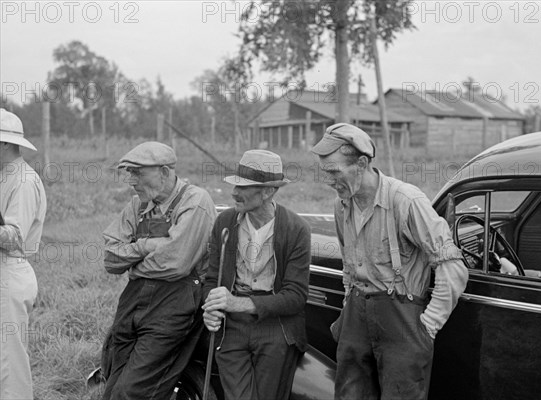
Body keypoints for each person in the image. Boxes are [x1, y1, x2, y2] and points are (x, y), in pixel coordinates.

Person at [311, 123, 468, 400]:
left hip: (401, 318)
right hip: (358, 312)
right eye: (326, 173)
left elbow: (452, 267)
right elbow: (349, 263)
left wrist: (427, 326)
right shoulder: (342, 205)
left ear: (361, 163)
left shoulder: (405, 201)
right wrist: (348, 307)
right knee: (349, 394)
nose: (329, 181)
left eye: (334, 172)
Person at [102, 141, 216, 400]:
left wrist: (132, 257)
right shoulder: (136, 205)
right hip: (132, 302)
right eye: (129, 173)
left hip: (173, 305)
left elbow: (177, 263)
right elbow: (110, 259)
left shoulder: (195, 200)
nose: (131, 180)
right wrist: (149, 246)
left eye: (138, 173)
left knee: (132, 391)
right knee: (112, 384)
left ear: (164, 172)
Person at [202, 149, 311, 400]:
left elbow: (295, 297)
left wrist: (237, 303)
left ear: (268, 192)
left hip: (276, 328)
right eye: (235, 185)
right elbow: (211, 280)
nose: (234, 193)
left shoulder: (296, 229)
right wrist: (210, 306)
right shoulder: (225, 222)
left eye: (244, 187)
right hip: (232, 328)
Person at [0, 108, 47, 400]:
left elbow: (14, 236)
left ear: (5, 143)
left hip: (9, 272)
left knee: (10, 361)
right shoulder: (5, 176)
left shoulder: (24, 181)